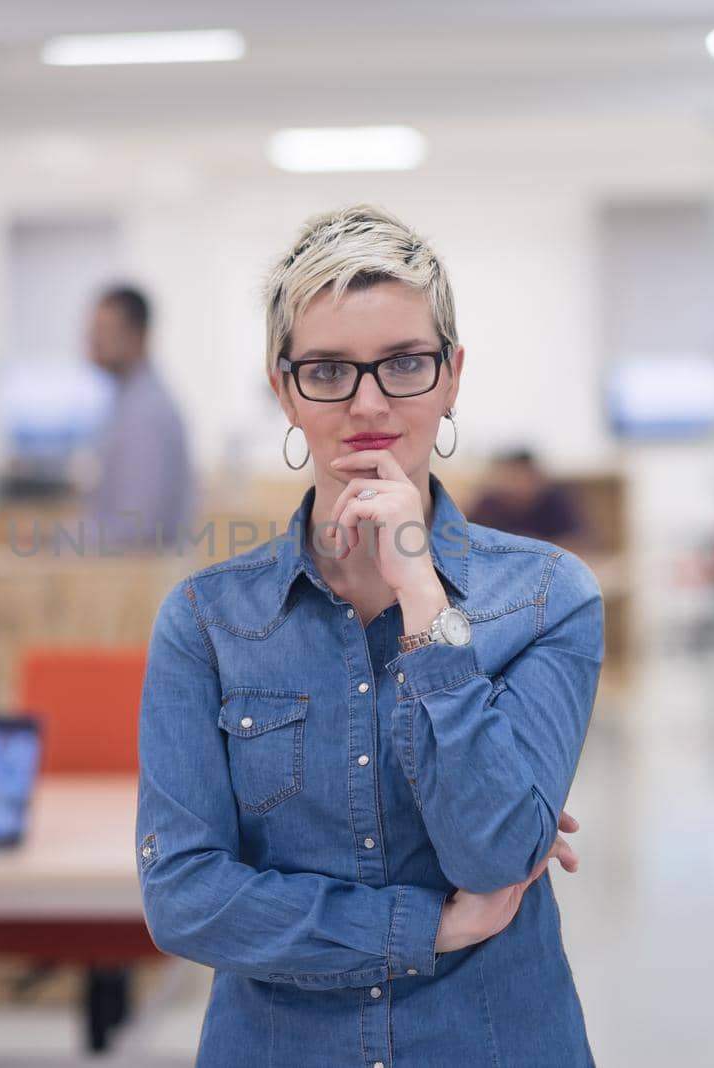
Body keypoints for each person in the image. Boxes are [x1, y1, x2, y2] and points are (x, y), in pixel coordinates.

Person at [134, 205, 605, 1065]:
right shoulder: (207, 621)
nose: (369, 403)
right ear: (284, 390)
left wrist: (424, 600)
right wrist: (429, 923)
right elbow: (185, 897)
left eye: (404, 365)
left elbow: (495, 854)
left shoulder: (547, 597)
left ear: (452, 376)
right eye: (328, 372)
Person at [80, 284, 196, 552]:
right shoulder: (126, 402)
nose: (92, 340)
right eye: (92, 330)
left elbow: (136, 530)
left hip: (142, 581)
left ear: (139, 336)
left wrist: (57, 542)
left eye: (104, 330)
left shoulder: (147, 413)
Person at [469, 447, 592, 550]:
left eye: (523, 477)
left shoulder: (555, 501)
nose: (517, 484)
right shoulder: (488, 505)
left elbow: (577, 541)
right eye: (512, 477)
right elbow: (467, 540)